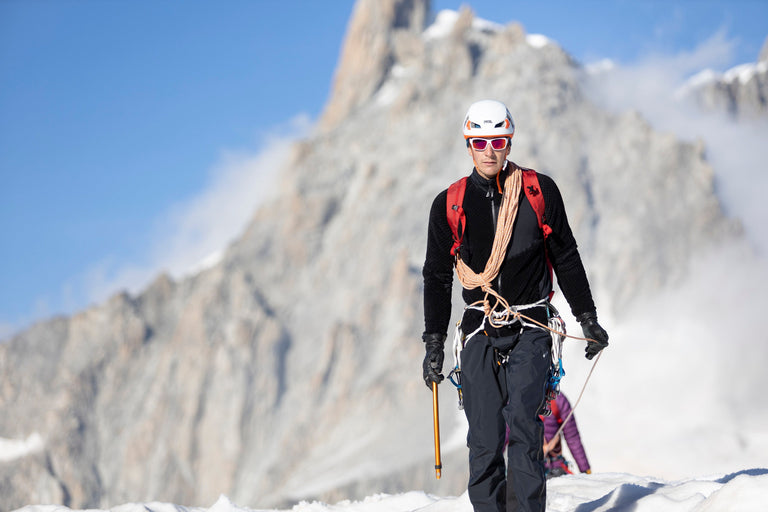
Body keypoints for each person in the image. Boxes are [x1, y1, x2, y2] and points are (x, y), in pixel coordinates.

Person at [421, 99, 609, 512]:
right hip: (478, 326)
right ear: (468, 144)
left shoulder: (538, 191)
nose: (490, 150)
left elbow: (566, 255)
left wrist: (587, 318)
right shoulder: (449, 205)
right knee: (485, 437)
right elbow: (437, 275)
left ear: (510, 141)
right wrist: (433, 341)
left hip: (531, 324)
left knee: (525, 429)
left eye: (499, 140)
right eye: (481, 141)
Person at [541, 393, 591, 478]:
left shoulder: (557, 400)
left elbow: (572, 438)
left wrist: (585, 470)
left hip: (555, 468)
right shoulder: (517, 400)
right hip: (526, 469)